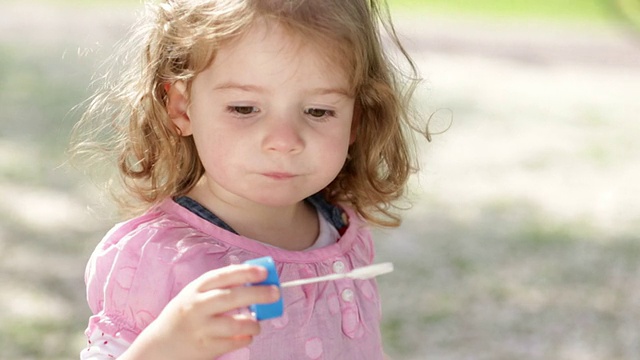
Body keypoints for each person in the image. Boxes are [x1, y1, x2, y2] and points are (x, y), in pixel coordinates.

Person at [72, 0, 424, 358]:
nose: (284, 141)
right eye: (244, 108)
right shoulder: (159, 257)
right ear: (181, 107)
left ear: (355, 119)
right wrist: (167, 346)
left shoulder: (344, 230)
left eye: (319, 111)